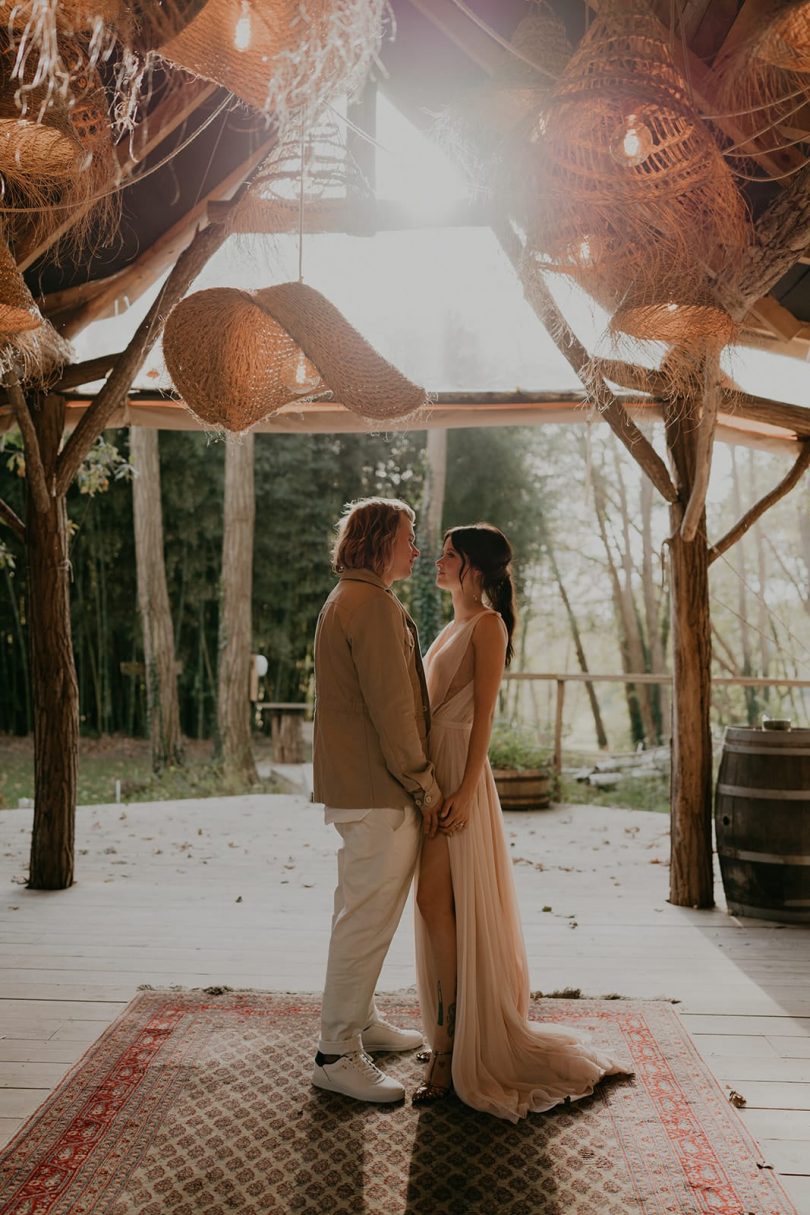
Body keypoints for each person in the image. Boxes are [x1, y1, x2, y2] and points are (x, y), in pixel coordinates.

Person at [414, 523, 630, 1120]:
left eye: (449, 555)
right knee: (434, 907)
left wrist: (461, 787)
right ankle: (447, 1033)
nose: (437, 560)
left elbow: (483, 717)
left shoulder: (488, 625)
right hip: (433, 772)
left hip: (461, 775)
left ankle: (452, 1045)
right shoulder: (448, 626)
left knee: (441, 904)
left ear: (473, 568)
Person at [311, 497, 442, 1104]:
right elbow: (393, 711)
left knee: (360, 915)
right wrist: (424, 780)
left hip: (362, 788)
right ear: (379, 541)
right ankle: (337, 1052)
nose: (416, 549)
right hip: (379, 790)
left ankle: (359, 1021)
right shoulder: (372, 606)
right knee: (364, 922)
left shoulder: (350, 598)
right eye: (409, 537)